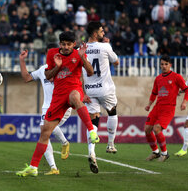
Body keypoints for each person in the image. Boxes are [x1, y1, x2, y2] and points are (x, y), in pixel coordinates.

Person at [16, 32, 99, 177]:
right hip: (56, 99)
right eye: (63, 44)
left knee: (74, 96)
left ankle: (91, 131)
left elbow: (91, 72)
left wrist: (81, 57)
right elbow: (47, 76)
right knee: (45, 132)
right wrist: (57, 66)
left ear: (74, 44)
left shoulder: (78, 54)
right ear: (59, 44)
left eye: (69, 44)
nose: (66, 47)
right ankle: (33, 167)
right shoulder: (51, 55)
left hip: (73, 90)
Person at [19, 44, 72, 175]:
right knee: (44, 134)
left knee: (46, 130)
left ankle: (64, 143)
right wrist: (22, 60)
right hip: (47, 107)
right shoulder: (43, 69)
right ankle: (53, 168)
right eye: (49, 54)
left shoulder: (66, 68)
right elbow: (26, 78)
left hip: (62, 105)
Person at [82, 21, 119, 174]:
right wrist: (108, 47)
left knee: (93, 121)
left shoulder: (80, 49)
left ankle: (91, 151)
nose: (104, 32)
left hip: (89, 90)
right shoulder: (105, 46)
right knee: (112, 112)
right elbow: (116, 62)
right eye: (101, 31)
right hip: (105, 89)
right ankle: (110, 144)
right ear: (95, 34)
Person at [144, 55, 188, 162]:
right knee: (147, 130)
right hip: (157, 107)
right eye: (162, 64)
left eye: (166, 64)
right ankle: (155, 152)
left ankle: (164, 154)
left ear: (170, 65)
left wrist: (184, 102)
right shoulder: (158, 78)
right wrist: (149, 104)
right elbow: (154, 93)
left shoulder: (176, 77)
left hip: (168, 108)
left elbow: (187, 90)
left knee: (157, 129)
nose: (164, 66)